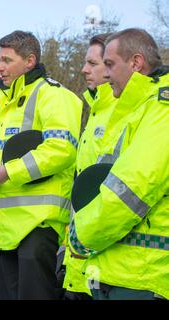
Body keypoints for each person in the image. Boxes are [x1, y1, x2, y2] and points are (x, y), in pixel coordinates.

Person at [0, 31, 82, 299]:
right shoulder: (5, 103)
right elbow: (0, 161)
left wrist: (6, 172)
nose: (0, 67)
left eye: (7, 60)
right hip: (6, 228)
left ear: (30, 61)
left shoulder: (54, 95)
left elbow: (61, 149)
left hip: (38, 227)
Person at [69, 28, 169, 300]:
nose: (106, 73)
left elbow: (130, 188)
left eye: (110, 64)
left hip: (142, 276)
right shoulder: (139, 107)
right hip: (120, 270)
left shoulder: (162, 109)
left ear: (136, 63)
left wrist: (80, 235)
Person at [60, 33, 117, 300]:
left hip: (103, 257)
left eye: (93, 63)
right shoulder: (95, 111)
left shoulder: (125, 113)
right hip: (80, 254)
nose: (84, 69)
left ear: (112, 64)